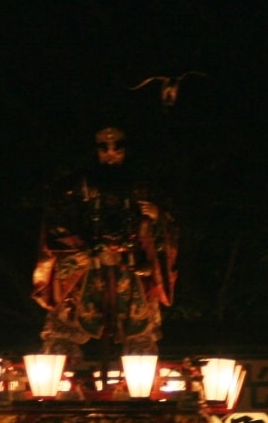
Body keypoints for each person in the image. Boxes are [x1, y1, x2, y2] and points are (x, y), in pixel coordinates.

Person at [32, 124, 178, 360]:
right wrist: (88, 249)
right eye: (104, 147)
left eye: (117, 147)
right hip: (86, 267)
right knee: (62, 333)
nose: (111, 153)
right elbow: (56, 226)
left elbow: (168, 229)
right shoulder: (74, 187)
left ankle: (141, 389)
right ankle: (58, 383)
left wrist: (157, 217)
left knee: (141, 335)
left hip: (131, 269)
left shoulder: (144, 186)